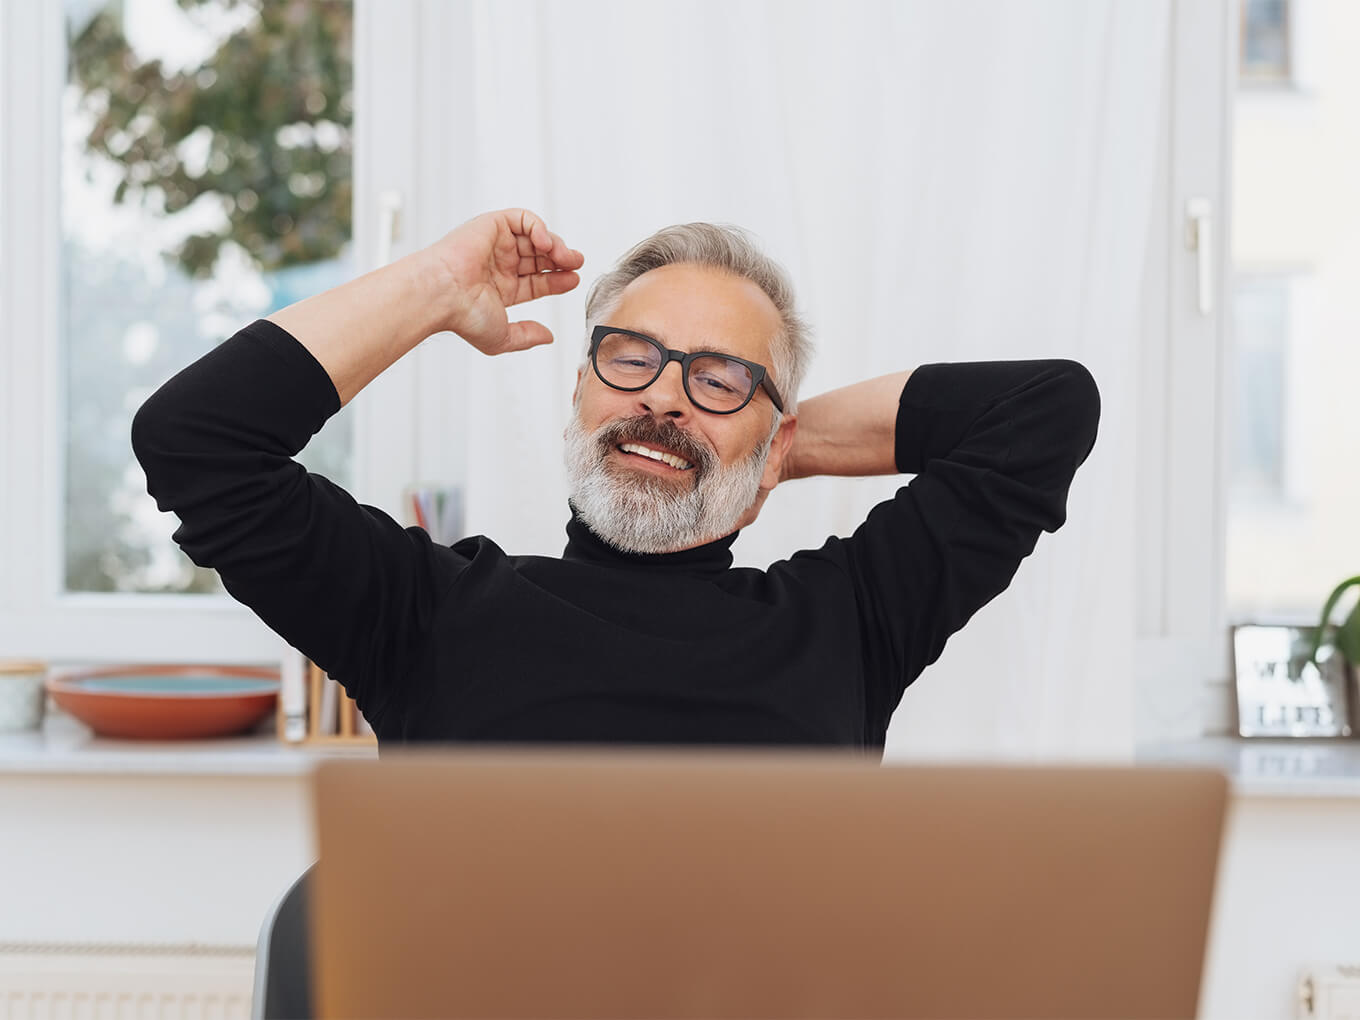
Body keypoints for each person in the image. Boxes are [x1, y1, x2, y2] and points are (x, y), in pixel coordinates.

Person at [132, 208, 1100, 755]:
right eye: (633, 358)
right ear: (579, 393)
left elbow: (1045, 411)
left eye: (719, 379)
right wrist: (432, 287)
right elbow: (196, 442)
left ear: (776, 436)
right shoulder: (424, 612)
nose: (666, 401)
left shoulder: (850, 621)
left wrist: (770, 452)